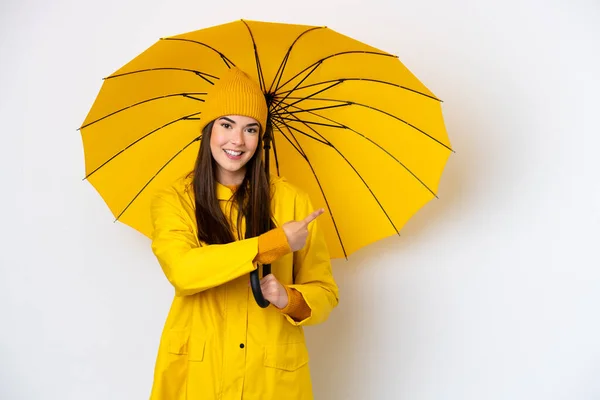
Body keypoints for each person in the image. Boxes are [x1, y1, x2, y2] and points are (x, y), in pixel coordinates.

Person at [148, 67, 339, 400]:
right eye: (226, 125)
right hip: (199, 375)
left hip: (269, 377)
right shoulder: (174, 199)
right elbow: (183, 270)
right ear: (208, 130)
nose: (237, 141)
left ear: (261, 139)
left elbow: (325, 291)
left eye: (251, 129)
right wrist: (274, 243)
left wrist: (289, 298)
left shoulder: (293, 200)